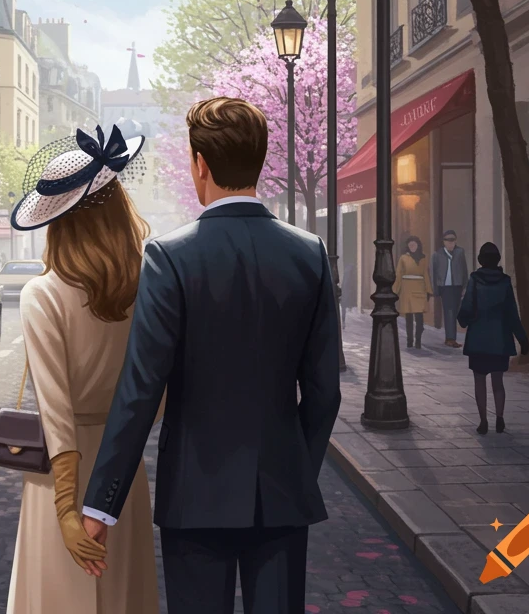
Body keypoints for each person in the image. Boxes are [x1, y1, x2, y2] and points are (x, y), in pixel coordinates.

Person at [80, 98, 342, 614]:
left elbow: (140, 389)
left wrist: (100, 505)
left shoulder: (170, 256)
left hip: (194, 495)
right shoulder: (308, 252)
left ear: (200, 164)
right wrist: (295, 471)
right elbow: (324, 391)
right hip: (281, 495)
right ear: (259, 160)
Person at [5, 124, 158, 614]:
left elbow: (55, 413)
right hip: (122, 468)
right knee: (122, 594)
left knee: (58, 597)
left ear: (59, 221)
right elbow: (159, 394)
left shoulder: (43, 295)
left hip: (59, 475)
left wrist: (68, 511)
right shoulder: (148, 289)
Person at [458, 243, 529, 435]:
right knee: (498, 382)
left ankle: (483, 421)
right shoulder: (505, 282)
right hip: (500, 339)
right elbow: (512, 314)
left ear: (481, 260)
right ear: (497, 260)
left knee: (479, 381)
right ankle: (500, 418)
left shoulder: (475, 279)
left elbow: (467, 306)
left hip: (478, 340)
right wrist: (522, 339)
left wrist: (463, 320)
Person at [432, 230, 469, 348]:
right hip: (445, 287)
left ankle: (452, 337)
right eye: (448, 241)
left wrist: (464, 286)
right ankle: (450, 338)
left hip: (457, 286)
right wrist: (435, 289)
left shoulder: (460, 252)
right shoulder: (437, 254)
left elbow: (464, 270)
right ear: (444, 242)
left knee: (456, 311)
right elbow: (434, 272)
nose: (450, 244)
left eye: (452, 241)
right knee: (449, 312)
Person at [396, 235, 433, 350]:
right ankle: (409, 341)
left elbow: (426, 274)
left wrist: (428, 290)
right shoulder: (403, 258)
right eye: (410, 245)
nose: (412, 247)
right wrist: (395, 291)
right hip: (407, 289)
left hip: (420, 289)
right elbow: (399, 274)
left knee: (419, 318)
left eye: (414, 244)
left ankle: (418, 340)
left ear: (418, 246)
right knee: (409, 317)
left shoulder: (423, 258)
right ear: (407, 246)